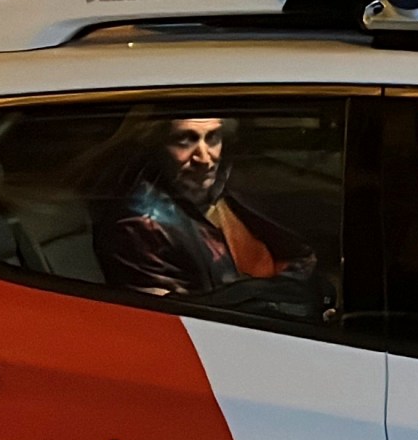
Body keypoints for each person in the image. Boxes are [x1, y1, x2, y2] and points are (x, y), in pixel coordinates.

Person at [94, 113, 320, 301]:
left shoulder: (225, 189)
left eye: (212, 137)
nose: (205, 157)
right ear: (155, 146)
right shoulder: (139, 227)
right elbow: (184, 319)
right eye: (184, 140)